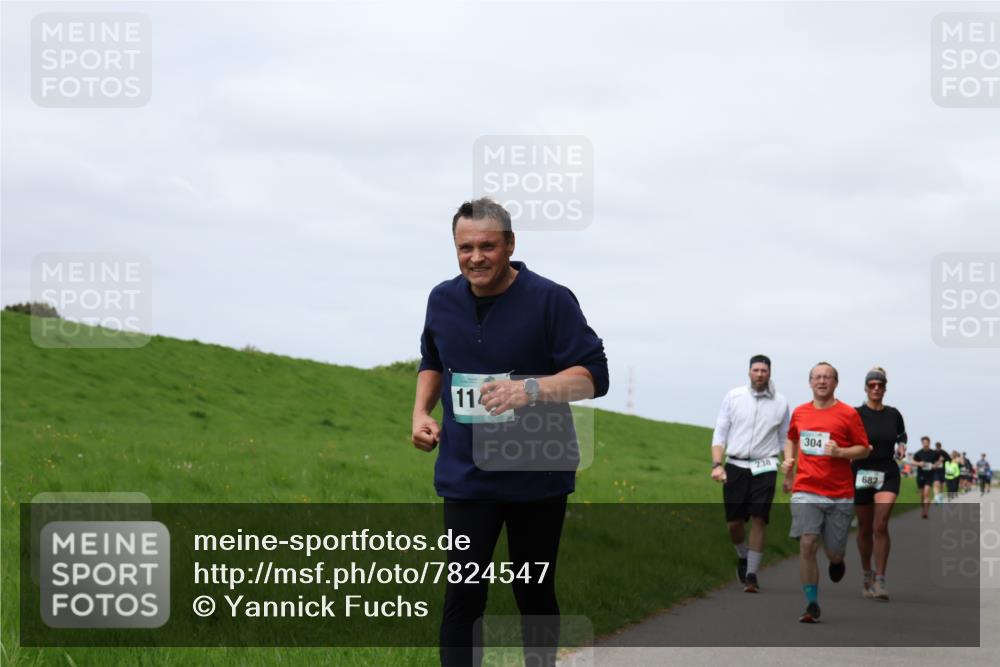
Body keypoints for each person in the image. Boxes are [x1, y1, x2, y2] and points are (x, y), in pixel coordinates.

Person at [413, 198, 609, 667]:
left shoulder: (550, 299)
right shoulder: (442, 299)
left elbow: (594, 377)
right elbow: (433, 361)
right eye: (465, 248)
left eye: (487, 246)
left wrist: (533, 390)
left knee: (533, 590)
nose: (475, 257)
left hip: (535, 470)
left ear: (510, 245)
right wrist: (420, 412)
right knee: (463, 594)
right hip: (466, 474)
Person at [781, 362, 871, 623]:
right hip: (806, 489)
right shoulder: (799, 413)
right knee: (807, 544)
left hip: (839, 494)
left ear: (835, 383)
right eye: (817, 377)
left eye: (827, 377)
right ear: (810, 382)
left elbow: (864, 449)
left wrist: (841, 452)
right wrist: (789, 460)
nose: (822, 381)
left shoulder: (848, 414)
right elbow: (791, 438)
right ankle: (811, 604)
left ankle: (837, 561)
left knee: (834, 552)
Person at [710, 354, 791, 593]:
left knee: (759, 518)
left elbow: (785, 437)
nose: (759, 374)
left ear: (770, 373)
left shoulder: (781, 402)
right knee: (734, 523)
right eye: (755, 370)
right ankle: (743, 556)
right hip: (736, 464)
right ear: (748, 372)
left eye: (764, 371)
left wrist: (788, 467)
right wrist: (717, 464)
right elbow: (720, 432)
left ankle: (753, 574)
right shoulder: (733, 397)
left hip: (765, 465)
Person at [853, 366, 906, 601]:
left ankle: (881, 579)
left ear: (885, 388)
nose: (876, 388)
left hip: (887, 471)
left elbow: (901, 434)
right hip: (862, 472)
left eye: (880, 385)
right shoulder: (855, 414)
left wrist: (902, 445)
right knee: (865, 528)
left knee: (881, 524)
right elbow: (844, 435)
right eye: (872, 385)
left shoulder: (893, 413)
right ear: (866, 388)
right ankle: (867, 574)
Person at [911, 437, 937, 518]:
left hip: (930, 475)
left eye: (927, 442)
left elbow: (939, 462)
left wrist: (934, 465)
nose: (925, 444)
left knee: (926, 494)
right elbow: (913, 462)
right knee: (922, 496)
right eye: (924, 442)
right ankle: (923, 509)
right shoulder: (919, 453)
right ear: (922, 443)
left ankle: (925, 512)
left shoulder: (934, 453)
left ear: (929, 443)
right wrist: (919, 463)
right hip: (921, 476)